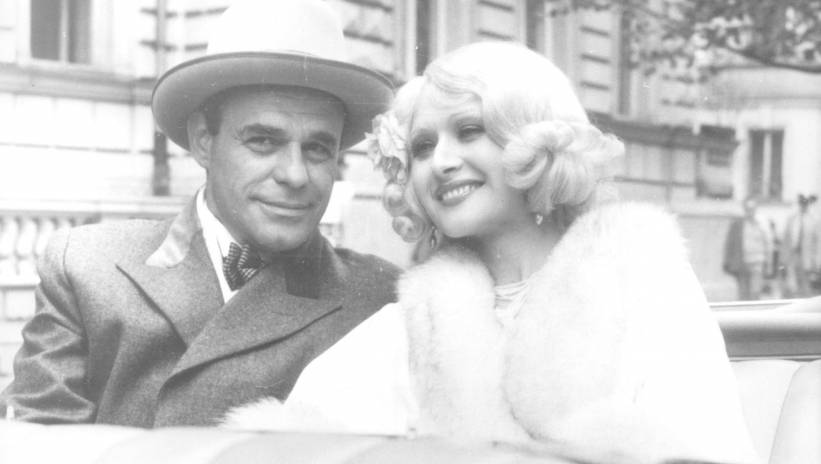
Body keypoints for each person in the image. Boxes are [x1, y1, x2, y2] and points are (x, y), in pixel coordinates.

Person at [225, 42, 757, 464]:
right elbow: (295, 441)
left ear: (535, 141)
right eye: (422, 147)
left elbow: (706, 448)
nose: (441, 162)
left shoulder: (642, 283)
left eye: (469, 131)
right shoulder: (407, 325)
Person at [0, 0, 399, 427]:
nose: (295, 174)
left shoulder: (381, 300)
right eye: (264, 140)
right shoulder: (89, 269)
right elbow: (36, 443)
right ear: (203, 141)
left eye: (318, 148)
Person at [723, 197, 772, 300]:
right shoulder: (738, 224)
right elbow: (730, 243)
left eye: (752, 208)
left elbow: (768, 244)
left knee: (755, 292)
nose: (750, 211)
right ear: (744, 209)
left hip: (757, 263)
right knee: (743, 294)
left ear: (756, 209)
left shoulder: (762, 224)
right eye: (748, 209)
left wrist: (769, 263)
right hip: (742, 263)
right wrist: (727, 261)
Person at [783, 194, 820, 297]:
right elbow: (786, 238)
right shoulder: (793, 219)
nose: (803, 206)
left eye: (805, 204)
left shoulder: (814, 220)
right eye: (801, 203)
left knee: (805, 284)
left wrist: (817, 261)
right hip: (793, 255)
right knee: (792, 283)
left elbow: (817, 242)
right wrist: (784, 257)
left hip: (807, 256)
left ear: (808, 205)